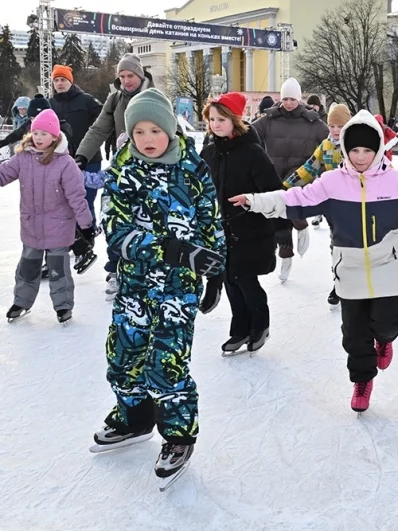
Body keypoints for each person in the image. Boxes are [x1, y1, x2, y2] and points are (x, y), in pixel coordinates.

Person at [228, 110, 398, 413]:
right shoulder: (331, 183)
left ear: (378, 150)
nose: (360, 157)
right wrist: (256, 201)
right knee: (354, 334)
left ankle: (385, 340)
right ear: (346, 150)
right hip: (348, 267)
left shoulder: (396, 183)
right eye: (355, 150)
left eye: (367, 150)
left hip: (386, 263)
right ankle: (362, 380)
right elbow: (294, 199)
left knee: (387, 323)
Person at [94, 88, 225, 485]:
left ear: (170, 129)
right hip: (134, 283)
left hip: (178, 288)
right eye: (139, 132)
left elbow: (210, 219)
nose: (147, 139)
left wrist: (217, 270)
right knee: (123, 355)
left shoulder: (192, 169)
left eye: (155, 130)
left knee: (166, 364)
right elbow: (115, 230)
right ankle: (134, 418)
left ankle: (179, 436)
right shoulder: (121, 169)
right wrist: (169, 249)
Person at [200, 93, 283, 355]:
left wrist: (279, 228)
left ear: (235, 120)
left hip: (251, 230)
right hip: (221, 230)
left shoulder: (252, 153)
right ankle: (239, 329)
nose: (216, 124)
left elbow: (274, 192)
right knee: (230, 280)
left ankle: (260, 325)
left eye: (221, 119)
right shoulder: (209, 152)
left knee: (245, 280)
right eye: (212, 119)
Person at [73, 53, 155, 299]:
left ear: (140, 74)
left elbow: (170, 132)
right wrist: (82, 156)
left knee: (146, 223)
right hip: (123, 166)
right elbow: (99, 129)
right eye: (122, 76)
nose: (126, 80)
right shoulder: (115, 99)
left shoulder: (154, 96)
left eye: (130, 75)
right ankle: (115, 271)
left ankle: (148, 272)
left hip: (151, 170)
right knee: (117, 220)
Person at [1, 110, 93, 324]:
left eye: (44, 134)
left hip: (59, 229)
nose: (38, 138)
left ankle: (63, 306)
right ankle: (21, 302)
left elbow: (77, 197)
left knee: (58, 271)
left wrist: (86, 225)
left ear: (54, 136)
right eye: (35, 133)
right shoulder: (23, 157)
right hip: (31, 227)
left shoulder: (65, 163)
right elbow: (4, 173)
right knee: (27, 268)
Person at [252, 78, 328, 282]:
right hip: (274, 172)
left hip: (300, 174)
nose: (288, 103)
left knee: (285, 200)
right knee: (277, 217)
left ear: (299, 99)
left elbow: (330, 142)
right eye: (285, 98)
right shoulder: (269, 119)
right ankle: (286, 255)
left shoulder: (312, 121)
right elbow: (249, 133)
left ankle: (300, 223)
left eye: (292, 99)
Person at [284, 103, 353, 308]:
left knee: (357, 246)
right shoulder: (326, 145)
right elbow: (309, 169)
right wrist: (286, 185)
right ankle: (339, 283)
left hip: (357, 203)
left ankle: (357, 284)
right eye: (332, 126)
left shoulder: (356, 145)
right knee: (336, 244)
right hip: (334, 205)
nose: (335, 130)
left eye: (340, 126)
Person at [49, 65, 103, 234]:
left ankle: (88, 235)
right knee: (64, 202)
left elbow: (105, 119)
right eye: (56, 80)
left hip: (89, 159)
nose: (59, 83)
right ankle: (69, 237)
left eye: (63, 80)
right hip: (61, 161)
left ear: (70, 82)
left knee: (86, 200)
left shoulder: (86, 100)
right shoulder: (50, 104)